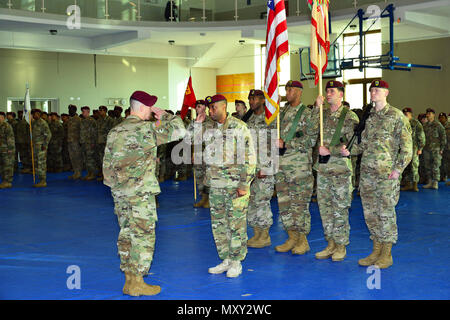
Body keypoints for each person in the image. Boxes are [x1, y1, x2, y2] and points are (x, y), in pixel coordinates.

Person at [103, 90, 186, 296]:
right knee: (143, 235)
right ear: (141, 108)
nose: (151, 111)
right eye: (150, 107)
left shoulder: (115, 131)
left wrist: (117, 189)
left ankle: (129, 280)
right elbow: (179, 130)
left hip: (120, 193)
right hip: (140, 194)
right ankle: (138, 282)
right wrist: (165, 114)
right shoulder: (145, 129)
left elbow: (107, 167)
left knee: (126, 234)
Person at [342, 80, 412, 269]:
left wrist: (398, 170)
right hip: (367, 174)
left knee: (385, 213)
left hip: (386, 175)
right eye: (371, 90)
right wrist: (350, 151)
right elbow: (363, 145)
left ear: (386, 93)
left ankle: (386, 254)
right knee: (370, 213)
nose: (373, 93)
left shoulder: (396, 116)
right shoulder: (369, 117)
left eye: (377, 90)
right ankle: (376, 250)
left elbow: (407, 148)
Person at [204, 94, 256, 278]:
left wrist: (244, 184)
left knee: (236, 225)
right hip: (216, 185)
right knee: (219, 225)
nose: (211, 111)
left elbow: (250, 158)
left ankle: (236, 262)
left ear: (224, 107)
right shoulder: (209, 128)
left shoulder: (239, 127)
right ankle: (225, 258)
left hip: (235, 186)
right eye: (209, 108)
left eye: (213, 108)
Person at [314, 81, 360, 261]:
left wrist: (331, 150)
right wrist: (315, 108)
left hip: (340, 171)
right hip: (324, 169)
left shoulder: (350, 117)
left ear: (341, 94)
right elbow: (309, 131)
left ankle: (341, 245)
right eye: (327, 91)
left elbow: (354, 146)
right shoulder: (321, 115)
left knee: (340, 208)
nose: (328, 94)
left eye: (332, 91)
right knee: (325, 208)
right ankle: (330, 243)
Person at [275, 80, 319, 255]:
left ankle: (302, 240)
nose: (287, 91)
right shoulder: (281, 112)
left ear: (299, 92)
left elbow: (311, 140)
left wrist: (287, 143)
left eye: (291, 89)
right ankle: (291, 237)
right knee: (284, 205)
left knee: (299, 205)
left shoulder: (307, 114)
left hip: (299, 168)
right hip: (282, 167)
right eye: (286, 89)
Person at [245, 89, 276, 249]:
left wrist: (266, 167)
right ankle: (256, 233)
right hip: (251, 169)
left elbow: (274, 146)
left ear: (263, 100)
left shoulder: (270, 119)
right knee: (251, 201)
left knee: (262, 201)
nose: (251, 101)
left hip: (265, 168)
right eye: (250, 99)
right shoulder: (248, 120)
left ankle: (265, 235)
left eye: (255, 99)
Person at [188, 99, 214, 208]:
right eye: (197, 107)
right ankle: (203, 197)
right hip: (198, 154)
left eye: (202, 106)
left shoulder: (211, 121)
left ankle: (209, 199)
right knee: (199, 176)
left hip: (209, 154)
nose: (199, 108)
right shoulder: (193, 122)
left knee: (208, 176)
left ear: (205, 108)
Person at [401, 108, 425, 192]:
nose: (405, 115)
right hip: (404, 149)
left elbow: (421, 136)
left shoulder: (416, 123)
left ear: (411, 114)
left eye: (406, 114)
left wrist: (420, 148)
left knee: (414, 166)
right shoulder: (402, 123)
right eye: (404, 114)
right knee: (406, 166)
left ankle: (414, 185)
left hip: (414, 148)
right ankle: (408, 184)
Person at [422, 108, 446, 189]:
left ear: (433, 115)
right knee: (427, 166)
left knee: (436, 166)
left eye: (430, 113)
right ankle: (429, 182)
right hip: (426, 149)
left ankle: (435, 182)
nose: (428, 115)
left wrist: (442, 148)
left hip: (436, 149)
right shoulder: (424, 125)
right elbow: (422, 138)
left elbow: (443, 137)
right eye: (427, 114)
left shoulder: (438, 125)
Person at [31, 109, 52, 187]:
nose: (34, 115)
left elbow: (49, 135)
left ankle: (43, 181)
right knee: (37, 164)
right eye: (33, 114)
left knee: (41, 164)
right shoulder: (34, 123)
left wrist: (45, 145)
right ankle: (40, 179)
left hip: (41, 147)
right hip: (35, 147)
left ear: (39, 114)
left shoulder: (43, 123)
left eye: (36, 114)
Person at [96, 106, 115, 181]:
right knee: (101, 159)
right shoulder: (99, 120)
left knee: (107, 160)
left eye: (101, 110)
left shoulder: (110, 120)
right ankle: (103, 175)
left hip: (106, 142)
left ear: (105, 111)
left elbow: (112, 131)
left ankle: (108, 176)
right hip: (99, 142)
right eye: (99, 110)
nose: (100, 112)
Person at [80, 106, 98, 181]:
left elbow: (94, 133)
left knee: (90, 159)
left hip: (90, 143)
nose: (82, 113)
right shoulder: (83, 121)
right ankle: (89, 173)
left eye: (84, 111)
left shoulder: (91, 121)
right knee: (86, 159)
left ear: (88, 112)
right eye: (82, 111)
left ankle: (92, 174)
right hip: (84, 143)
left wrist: (93, 142)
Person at [67, 105, 83, 180]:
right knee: (72, 158)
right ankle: (75, 172)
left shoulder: (78, 119)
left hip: (76, 141)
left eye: (71, 110)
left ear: (75, 111)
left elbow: (81, 131)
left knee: (77, 158)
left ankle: (79, 173)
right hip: (70, 141)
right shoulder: (69, 119)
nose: (69, 111)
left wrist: (80, 141)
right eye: (69, 109)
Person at [0, 112, 15, 189]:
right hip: (1, 149)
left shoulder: (7, 126)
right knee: (2, 166)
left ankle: (8, 182)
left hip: (7, 150)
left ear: (4, 118)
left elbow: (10, 138)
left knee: (7, 166)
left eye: (1, 117)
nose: (0, 118)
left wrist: (10, 149)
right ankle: (4, 181)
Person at [438, 112, 449, 182]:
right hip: (441, 148)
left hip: (448, 148)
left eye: (443, 118)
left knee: (448, 164)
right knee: (442, 164)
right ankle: (442, 176)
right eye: (440, 118)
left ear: (446, 118)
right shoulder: (438, 126)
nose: (442, 119)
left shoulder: (448, 126)